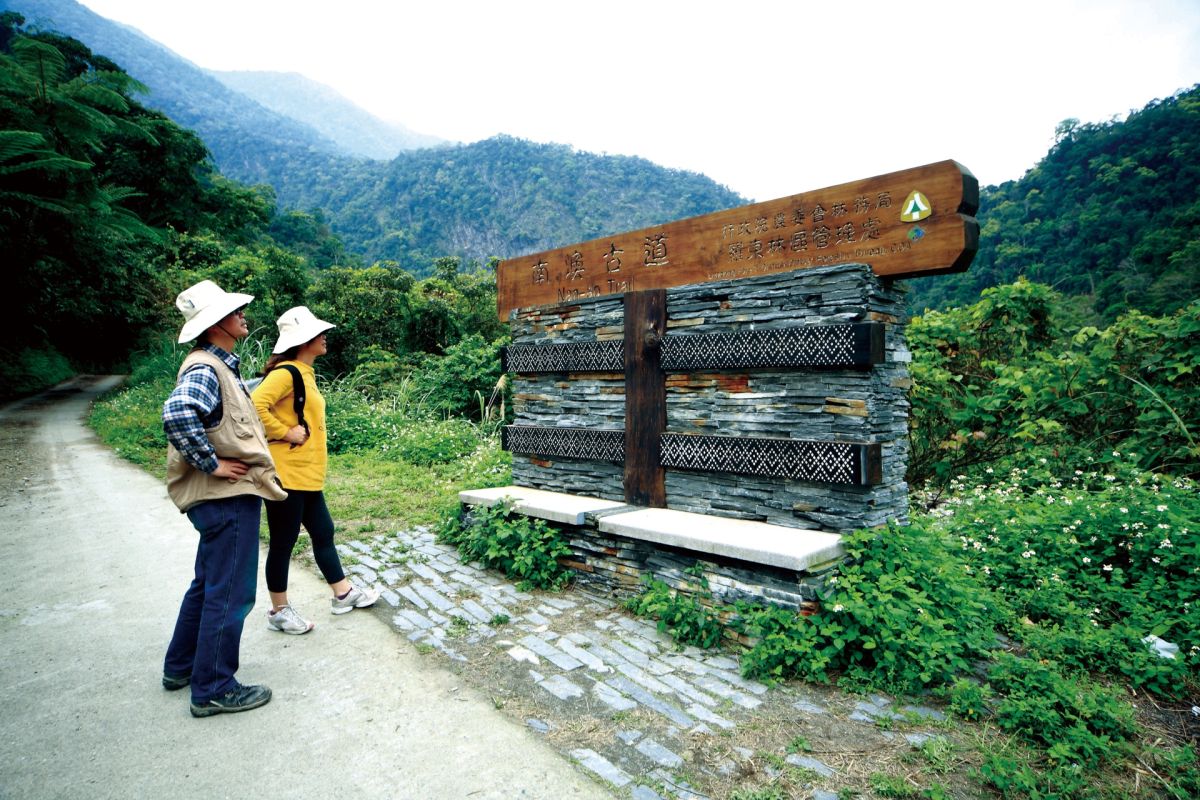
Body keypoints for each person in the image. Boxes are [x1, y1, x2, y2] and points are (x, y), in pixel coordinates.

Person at [162, 280, 287, 717]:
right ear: (217, 324)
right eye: (236, 313)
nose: (243, 317)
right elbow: (178, 413)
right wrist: (212, 463)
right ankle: (214, 686)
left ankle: (181, 667)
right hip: (226, 497)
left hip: (220, 499)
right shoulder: (206, 369)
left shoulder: (218, 366)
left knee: (208, 584)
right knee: (230, 592)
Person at [252, 306, 378, 635]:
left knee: (323, 532)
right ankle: (278, 611)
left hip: (306, 474)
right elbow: (254, 405)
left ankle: (343, 594)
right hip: (287, 473)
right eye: (318, 333)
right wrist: (284, 430)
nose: (324, 337)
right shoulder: (286, 373)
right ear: (303, 340)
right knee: (283, 541)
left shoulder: (304, 373)